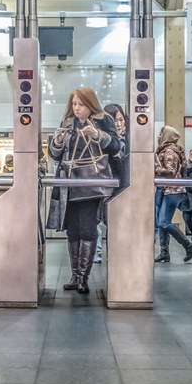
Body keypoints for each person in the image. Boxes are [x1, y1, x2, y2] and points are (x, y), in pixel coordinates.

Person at [46, 87, 120, 294]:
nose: (76, 108)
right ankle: (75, 276)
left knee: (87, 229)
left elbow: (116, 147)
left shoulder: (103, 119)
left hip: (91, 184)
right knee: (72, 231)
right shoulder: (68, 123)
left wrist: (97, 135)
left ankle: (83, 278)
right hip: (68, 185)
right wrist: (57, 142)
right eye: (74, 104)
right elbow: (55, 155)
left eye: (80, 104)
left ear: (90, 104)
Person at [153, 125, 192, 263]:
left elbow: (169, 172)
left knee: (163, 222)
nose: (159, 136)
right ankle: (164, 252)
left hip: (172, 191)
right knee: (162, 222)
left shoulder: (169, 151)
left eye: (161, 133)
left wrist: (154, 167)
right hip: (167, 190)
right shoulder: (168, 150)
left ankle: (188, 245)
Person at [94, 103, 129, 263]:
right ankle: (97, 253)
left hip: (124, 187)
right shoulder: (105, 141)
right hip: (106, 184)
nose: (119, 124)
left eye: (122, 120)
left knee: (118, 222)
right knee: (100, 220)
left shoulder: (131, 140)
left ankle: (119, 253)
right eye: (115, 121)